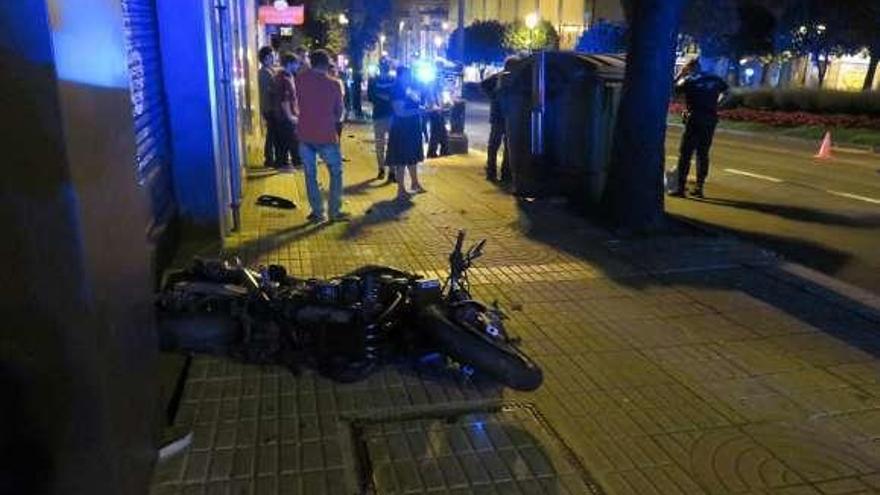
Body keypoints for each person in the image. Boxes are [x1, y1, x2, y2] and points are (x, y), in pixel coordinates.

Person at [295, 49, 348, 222]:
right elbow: (339, 113)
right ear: (326, 65)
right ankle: (334, 210)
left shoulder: (300, 80)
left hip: (304, 134)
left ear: (311, 62)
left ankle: (318, 212)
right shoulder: (334, 84)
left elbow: (296, 104)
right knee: (336, 172)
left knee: (310, 174)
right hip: (326, 135)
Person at [670, 58, 729, 198]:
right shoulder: (715, 79)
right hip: (710, 119)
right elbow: (727, 92)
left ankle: (680, 187)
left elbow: (672, 90)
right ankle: (699, 187)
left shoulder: (690, 80)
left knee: (685, 154)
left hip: (694, 118)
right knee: (703, 154)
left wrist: (680, 74)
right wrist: (716, 105)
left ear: (690, 67)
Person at [385, 66, 426, 201]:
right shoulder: (397, 89)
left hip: (410, 128)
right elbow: (400, 112)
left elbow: (412, 104)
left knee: (412, 157)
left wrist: (420, 108)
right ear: (401, 76)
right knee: (401, 159)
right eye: (408, 75)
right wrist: (418, 111)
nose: (410, 78)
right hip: (402, 129)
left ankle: (415, 183)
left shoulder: (406, 88)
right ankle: (401, 189)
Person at [482, 57, 517, 182]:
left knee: (494, 145)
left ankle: (492, 172)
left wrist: (492, 97)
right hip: (507, 116)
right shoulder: (509, 77)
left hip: (498, 116)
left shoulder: (499, 76)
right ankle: (505, 174)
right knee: (506, 146)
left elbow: (484, 84)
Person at [367, 58, 396, 180]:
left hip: (388, 114)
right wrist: (386, 98)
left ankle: (390, 171)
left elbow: (393, 96)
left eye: (386, 65)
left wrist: (381, 97)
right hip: (382, 115)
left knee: (390, 144)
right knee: (381, 144)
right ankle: (382, 169)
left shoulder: (392, 80)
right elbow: (371, 96)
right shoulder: (373, 80)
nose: (385, 67)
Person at [273, 52, 302, 170]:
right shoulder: (285, 78)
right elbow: (285, 100)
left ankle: (283, 163)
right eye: (296, 64)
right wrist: (290, 116)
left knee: (285, 140)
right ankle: (290, 163)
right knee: (291, 140)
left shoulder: (285, 76)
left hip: (284, 114)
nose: (297, 67)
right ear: (289, 64)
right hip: (285, 115)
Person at [258, 46, 280, 168]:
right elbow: (271, 91)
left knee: (272, 133)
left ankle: (271, 158)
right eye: (271, 56)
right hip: (270, 108)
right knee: (272, 134)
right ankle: (269, 158)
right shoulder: (265, 73)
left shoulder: (269, 71)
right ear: (266, 58)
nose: (273, 58)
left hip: (270, 107)